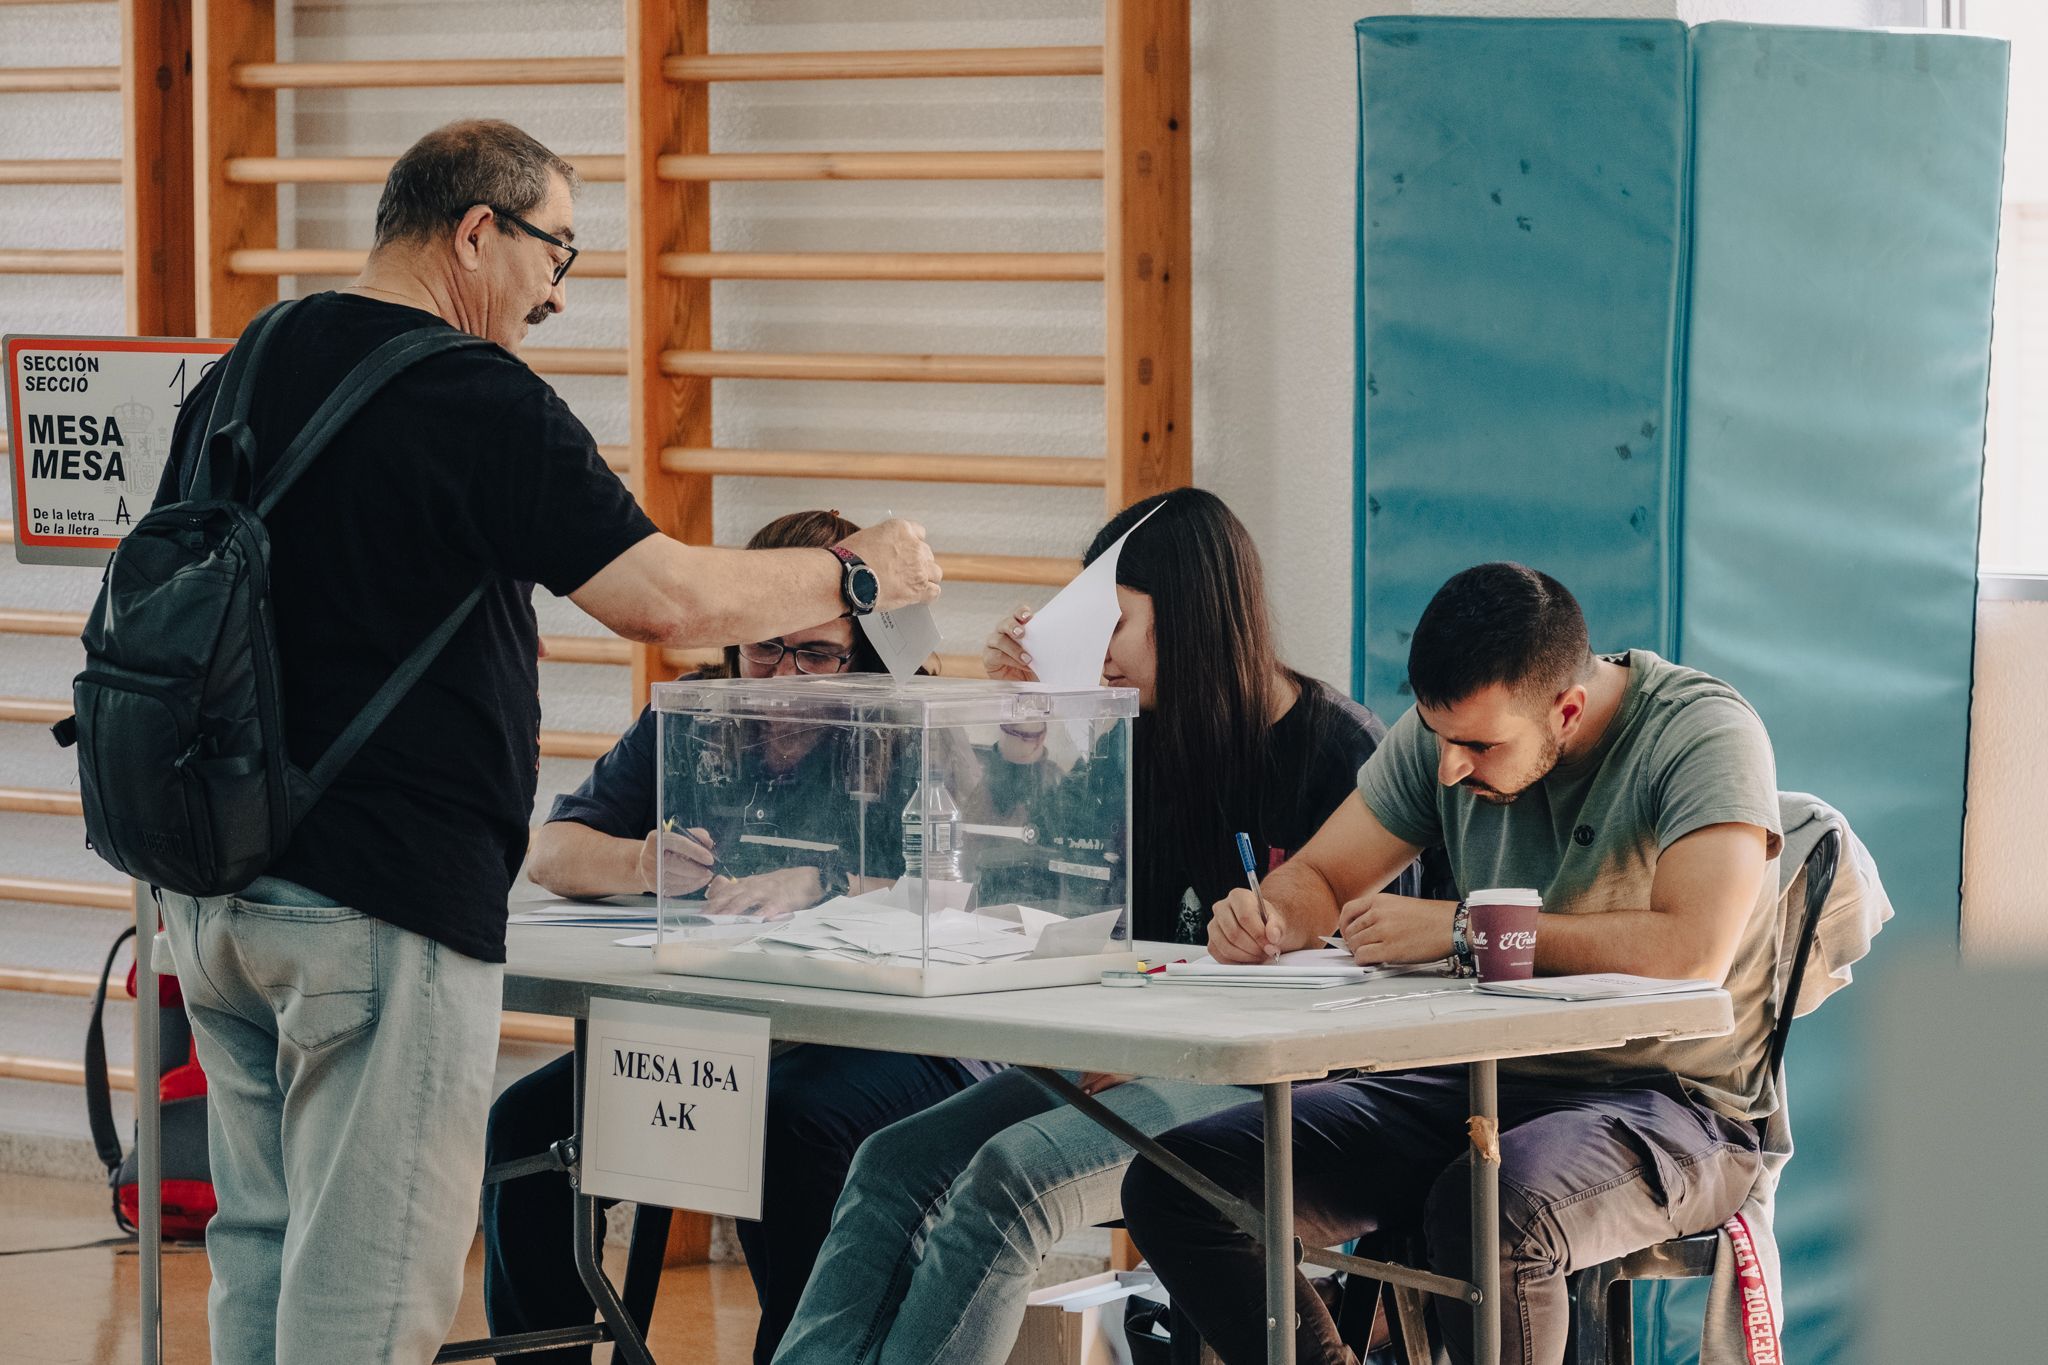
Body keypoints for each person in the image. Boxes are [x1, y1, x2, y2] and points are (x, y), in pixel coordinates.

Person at [150, 121, 940, 1365]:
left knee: (263, 1265)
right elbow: (663, 600)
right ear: (477, 231)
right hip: (377, 907)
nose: (557, 294)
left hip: (217, 892)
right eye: (555, 252)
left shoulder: (258, 354)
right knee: (363, 1301)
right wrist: (854, 576)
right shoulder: (471, 394)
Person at [772, 488, 1420, 1365]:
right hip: (1125, 1054)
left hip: (1263, 1082)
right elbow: (1020, 887)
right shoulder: (1138, 738)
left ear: (1188, 617)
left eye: (1113, 624)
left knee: (1010, 1181)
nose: (1099, 655)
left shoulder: (1342, 752)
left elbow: (1370, 995)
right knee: (889, 1163)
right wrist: (1022, 735)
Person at [1121, 562, 1784, 1365]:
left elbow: (1691, 950)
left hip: (1675, 1103)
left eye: (1476, 745)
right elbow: (1324, 876)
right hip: (1482, 1079)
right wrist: (1270, 913)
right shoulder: (1452, 731)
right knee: (1179, 1182)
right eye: (1438, 737)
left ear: (1566, 710)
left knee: (1488, 1213)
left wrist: (1468, 928)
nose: (1449, 769)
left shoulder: (1703, 732)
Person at [485, 510, 997, 1365]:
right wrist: (645, 860)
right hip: (739, 1032)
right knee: (526, 1128)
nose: (787, 678)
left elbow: (967, 889)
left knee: (787, 1128)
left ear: (865, 649)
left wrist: (823, 883)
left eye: (819, 655)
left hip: (897, 1038)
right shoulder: (696, 716)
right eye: (764, 648)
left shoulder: (912, 723)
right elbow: (550, 851)